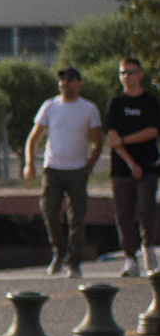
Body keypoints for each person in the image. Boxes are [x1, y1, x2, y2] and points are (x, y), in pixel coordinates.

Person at [25, 65, 106, 277]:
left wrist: (90, 164)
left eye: (70, 80)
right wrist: (29, 163)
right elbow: (34, 138)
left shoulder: (88, 109)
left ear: (79, 83)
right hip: (53, 169)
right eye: (62, 81)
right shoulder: (50, 106)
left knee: (76, 217)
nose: (65, 84)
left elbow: (98, 142)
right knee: (49, 210)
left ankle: (74, 261)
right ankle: (59, 251)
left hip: (77, 170)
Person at [105, 60, 159, 278]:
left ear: (140, 75)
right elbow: (111, 139)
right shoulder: (116, 103)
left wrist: (125, 140)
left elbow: (152, 131)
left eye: (130, 72)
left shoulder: (151, 101)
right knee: (124, 212)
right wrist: (130, 163)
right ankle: (130, 258)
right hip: (122, 168)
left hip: (149, 165)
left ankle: (149, 249)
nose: (126, 76)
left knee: (146, 208)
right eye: (122, 73)